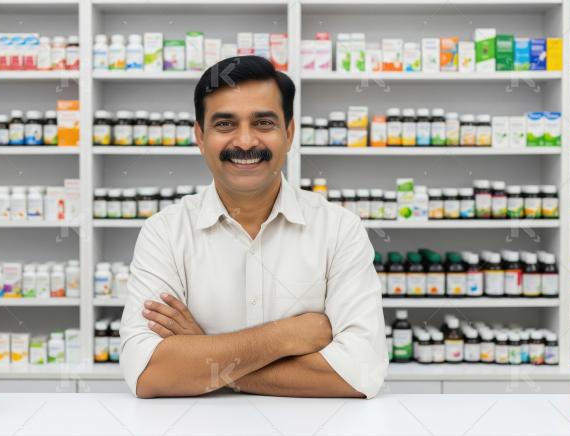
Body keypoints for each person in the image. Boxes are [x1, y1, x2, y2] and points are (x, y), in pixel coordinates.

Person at [120, 55, 387, 399]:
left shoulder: (339, 229)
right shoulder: (164, 233)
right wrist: (284, 336)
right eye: (225, 124)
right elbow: (148, 372)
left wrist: (201, 352)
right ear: (200, 136)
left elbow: (360, 372)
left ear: (288, 133)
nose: (245, 142)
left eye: (263, 123)